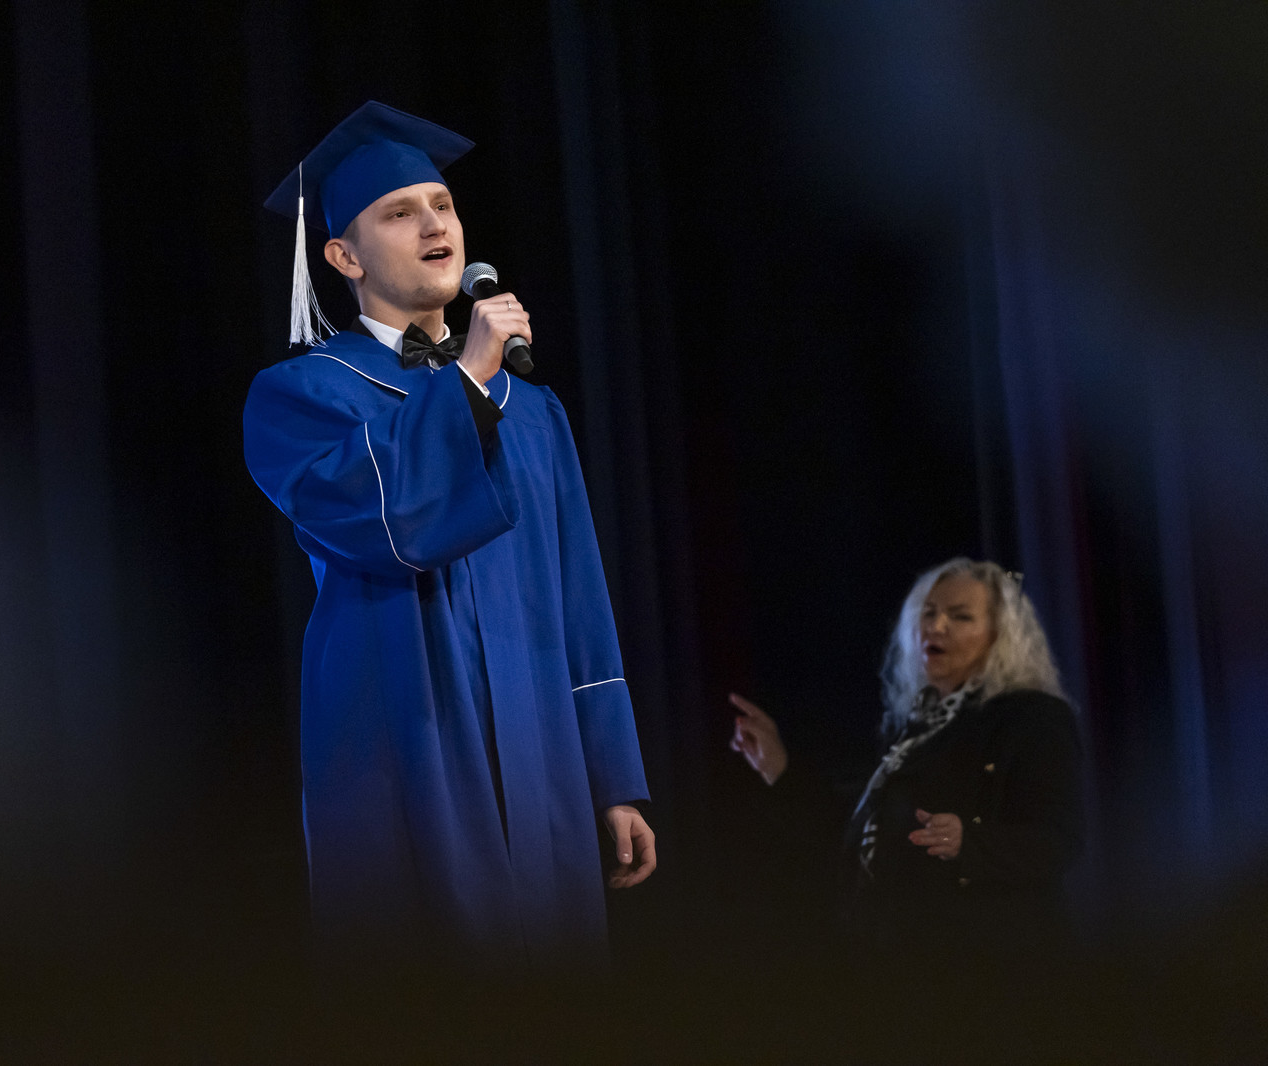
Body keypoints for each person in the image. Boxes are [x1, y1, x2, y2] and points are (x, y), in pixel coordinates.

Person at [244, 102, 654, 972]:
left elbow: (581, 596)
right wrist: (465, 378)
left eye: (443, 205)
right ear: (344, 257)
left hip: (543, 739)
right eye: (400, 212)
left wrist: (614, 779)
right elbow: (380, 518)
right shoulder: (302, 394)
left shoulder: (534, 408)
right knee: (429, 982)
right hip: (405, 731)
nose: (435, 225)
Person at [729, 558, 1084, 956]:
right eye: (928, 613)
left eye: (960, 616)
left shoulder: (1032, 716)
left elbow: (1058, 840)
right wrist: (778, 768)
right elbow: (857, 826)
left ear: (1000, 636)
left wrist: (969, 842)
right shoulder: (915, 727)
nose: (936, 626)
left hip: (984, 962)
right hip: (891, 955)